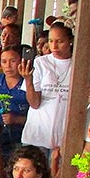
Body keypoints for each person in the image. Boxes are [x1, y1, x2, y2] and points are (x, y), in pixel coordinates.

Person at [21, 21, 74, 161]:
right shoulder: (40, 63)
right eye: (51, 41)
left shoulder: (79, 65)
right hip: (37, 135)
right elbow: (35, 103)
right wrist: (28, 80)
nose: (54, 46)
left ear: (70, 41)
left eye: (60, 41)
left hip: (64, 136)